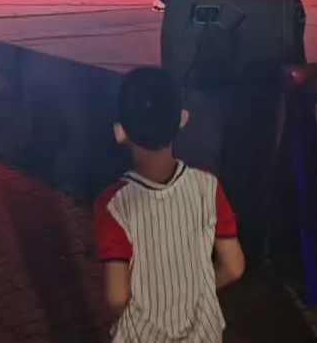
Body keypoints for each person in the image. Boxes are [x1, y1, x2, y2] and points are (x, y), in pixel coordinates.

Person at [93, 66, 245, 342]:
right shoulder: (207, 187)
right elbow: (233, 266)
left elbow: (116, 296)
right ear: (182, 119)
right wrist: (192, 293)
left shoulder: (113, 204)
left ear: (120, 132)